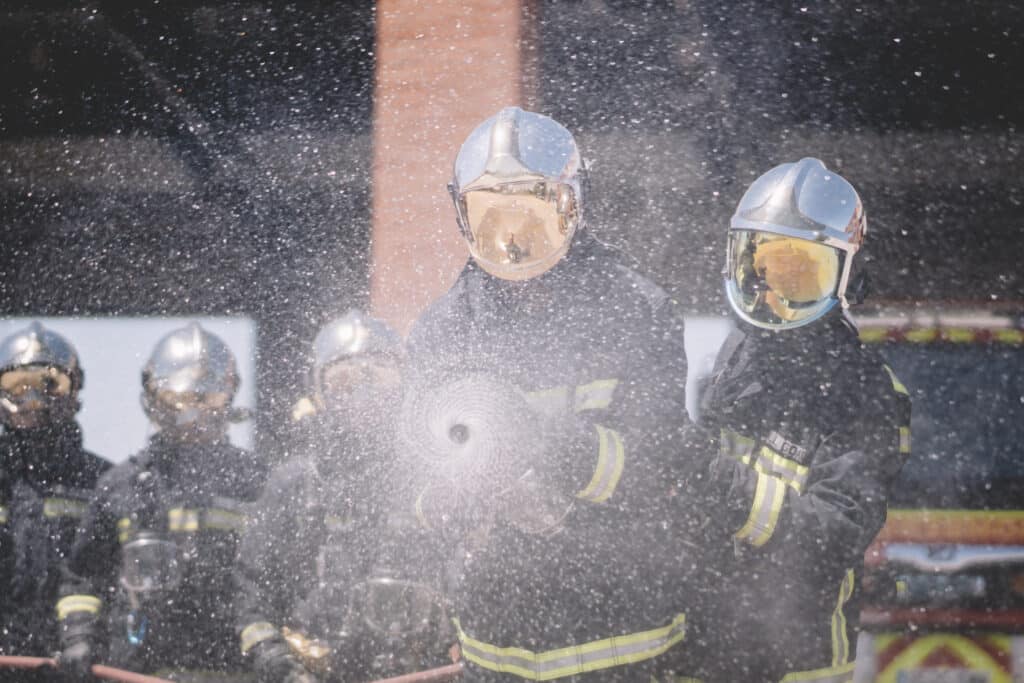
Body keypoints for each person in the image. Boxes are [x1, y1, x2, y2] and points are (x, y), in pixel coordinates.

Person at [401, 107, 691, 681]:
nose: (513, 239)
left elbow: (664, 463)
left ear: (572, 204)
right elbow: (412, 474)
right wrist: (451, 502)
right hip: (496, 651)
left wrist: (554, 476)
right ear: (460, 211)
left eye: (531, 214)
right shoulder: (441, 330)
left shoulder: (635, 310)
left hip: (625, 646)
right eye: (491, 215)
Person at [677, 157, 912, 683]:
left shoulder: (864, 392)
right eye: (759, 270)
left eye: (798, 275)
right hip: (705, 647)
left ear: (846, 277)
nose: (771, 297)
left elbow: (835, 534)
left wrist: (725, 490)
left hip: (796, 662)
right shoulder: (738, 351)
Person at [235, 311, 449, 683]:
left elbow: (467, 575)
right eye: (344, 380)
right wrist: (273, 656)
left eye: (379, 376)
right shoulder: (295, 484)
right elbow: (251, 586)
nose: (363, 394)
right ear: (318, 391)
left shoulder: (432, 476)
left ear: (405, 384)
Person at [56, 322, 267, 682]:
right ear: (153, 398)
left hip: (234, 669)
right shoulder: (120, 485)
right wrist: (79, 635)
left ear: (228, 396)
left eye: (207, 397)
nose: (193, 412)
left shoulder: (258, 483)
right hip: (139, 670)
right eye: (180, 397)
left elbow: (276, 575)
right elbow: (82, 576)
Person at [0, 323, 110, 661]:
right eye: (18, 387)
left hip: (78, 660)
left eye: (49, 386)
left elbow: (114, 574)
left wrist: (87, 642)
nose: (33, 401)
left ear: (74, 390)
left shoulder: (104, 481)